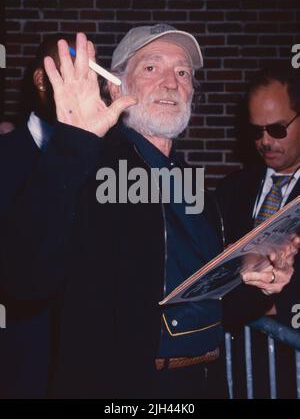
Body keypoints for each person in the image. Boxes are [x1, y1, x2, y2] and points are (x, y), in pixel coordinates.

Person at [1, 26, 298, 399]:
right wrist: (73, 144)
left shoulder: (195, 188)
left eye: (183, 72)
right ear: (116, 88)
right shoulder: (86, 168)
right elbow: (24, 280)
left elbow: (203, 307)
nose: (172, 83)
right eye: (151, 69)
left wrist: (258, 283)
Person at [216, 68, 300, 398]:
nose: (265, 141)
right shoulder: (230, 190)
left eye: (277, 129)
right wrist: (258, 307)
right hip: (235, 372)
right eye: (256, 131)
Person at [0, 34, 75, 398]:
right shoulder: (5, 156)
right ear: (42, 81)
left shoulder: (105, 161)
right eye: (67, 74)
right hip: (22, 360)